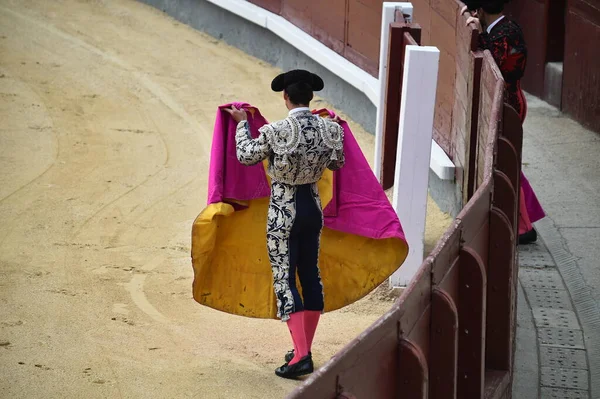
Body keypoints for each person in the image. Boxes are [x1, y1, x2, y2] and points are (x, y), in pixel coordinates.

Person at [224, 69, 345, 379]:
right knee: (310, 275)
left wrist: (241, 126)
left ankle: (302, 355)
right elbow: (337, 163)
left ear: (285, 98)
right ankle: (302, 349)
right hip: (312, 210)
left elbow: (245, 155)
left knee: (284, 278)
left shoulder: (276, 130)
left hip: (284, 212)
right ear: (310, 97)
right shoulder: (331, 129)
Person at [462, 0, 543, 244]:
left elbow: (501, 68)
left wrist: (481, 37)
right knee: (507, 161)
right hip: (510, 102)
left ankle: (523, 229)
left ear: (481, 11)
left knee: (504, 164)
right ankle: (528, 216)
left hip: (508, 106)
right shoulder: (507, 27)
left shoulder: (503, 33)